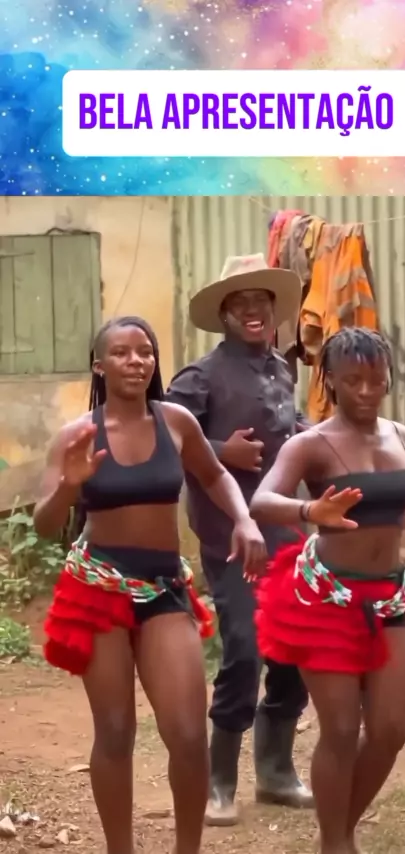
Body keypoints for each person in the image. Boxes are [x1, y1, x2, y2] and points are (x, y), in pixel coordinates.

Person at [33, 315, 267, 854]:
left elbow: (215, 475)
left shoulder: (176, 422)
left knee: (187, 733)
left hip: (163, 588)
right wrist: (68, 487)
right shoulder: (76, 436)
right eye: (122, 352)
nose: (136, 361)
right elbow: (45, 525)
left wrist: (244, 519)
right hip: (98, 589)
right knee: (115, 731)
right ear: (100, 365)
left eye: (145, 351)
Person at [249, 326, 405, 854]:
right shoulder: (310, 444)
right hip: (326, 601)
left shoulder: (398, 434)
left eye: (376, 380)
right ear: (329, 380)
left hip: (387, 597)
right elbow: (262, 501)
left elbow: (401, 504)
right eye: (353, 380)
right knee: (339, 728)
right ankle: (336, 843)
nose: (366, 391)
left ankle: (341, 830)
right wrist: (312, 510)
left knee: (390, 729)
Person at [165, 254, 314, 826]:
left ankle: (275, 772)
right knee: (245, 650)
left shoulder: (280, 368)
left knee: (294, 649)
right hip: (230, 538)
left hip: (286, 532)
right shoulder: (200, 377)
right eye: (240, 303)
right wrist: (219, 450)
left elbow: (287, 431)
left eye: (261, 302)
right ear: (224, 314)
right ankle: (219, 781)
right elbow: (164, 436)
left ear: (273, 310)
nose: (252, 311)